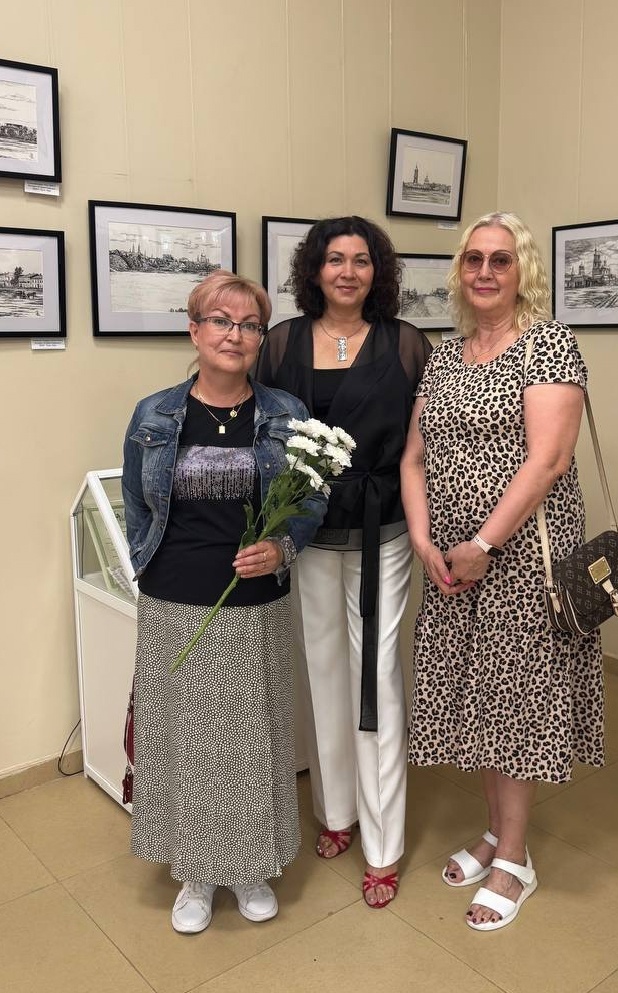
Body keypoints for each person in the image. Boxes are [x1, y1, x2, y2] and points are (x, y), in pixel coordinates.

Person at [400, 212, 604, 931]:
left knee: (515, 703)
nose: (485, 271)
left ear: (524, 272)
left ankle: (515, 859)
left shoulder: (547, 344)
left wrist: (483, 543)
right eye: (474, 259)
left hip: (519, 563)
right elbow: (413, 458)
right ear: (460, 271)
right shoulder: (446, 355)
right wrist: (425, 541)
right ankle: (495, 832)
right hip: (454, 562)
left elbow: (547, 460)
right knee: (481, 698)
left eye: (502, 259)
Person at [122, 270, 327, 934]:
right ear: (195, 330)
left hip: (255, 602)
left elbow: (312, 499)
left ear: (260, 338)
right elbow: (136, 502)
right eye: (220, 320)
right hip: (174, 599)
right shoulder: (154, 414)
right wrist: (147, 564)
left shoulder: (286, 413)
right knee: (183, 741)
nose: (234, 335)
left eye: (248, 324)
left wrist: (282, 548)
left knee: (252, 740)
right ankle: (196, 873)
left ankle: (250, 866)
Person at [255, 215, 432, 908]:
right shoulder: (281, 343)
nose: (348, 272)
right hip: (306, 529)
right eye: (335, 259)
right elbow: (260, 435)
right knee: (323, 668)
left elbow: (422, 448)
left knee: (376, 676)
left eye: (361, 260)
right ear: (315, 269)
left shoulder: (406, 343)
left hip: (381, 527)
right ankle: (336, 812)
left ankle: (383, 845)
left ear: (377, 271)